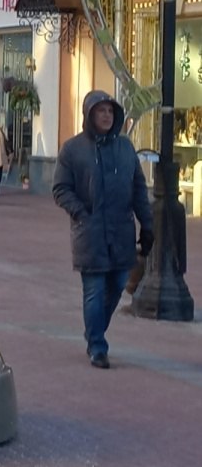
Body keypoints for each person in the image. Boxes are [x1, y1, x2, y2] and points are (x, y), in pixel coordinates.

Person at [52, 90, 153, 370]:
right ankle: (97, 345)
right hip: (91, 233)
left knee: (119, 284)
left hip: (121, 231)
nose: (106, 115)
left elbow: (138, 189)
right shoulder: (73, 149)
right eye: (101, 111)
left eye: (110, 111)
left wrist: (147, 225)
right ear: (89, 115)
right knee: (94, 290)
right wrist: (81, 213)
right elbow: (60, 188)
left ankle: (93, 329)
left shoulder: (125, 148)